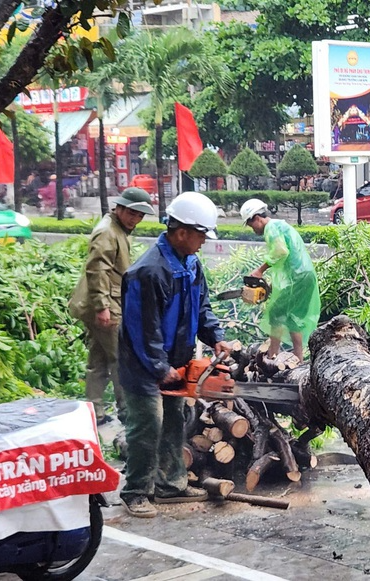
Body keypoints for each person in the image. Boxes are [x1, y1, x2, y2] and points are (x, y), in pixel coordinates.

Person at [118, 191, 232, 518]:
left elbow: (202, 308)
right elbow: (142, 328)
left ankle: (171, 484)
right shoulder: (148, 272)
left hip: (176, 361)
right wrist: (158, 366)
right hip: (142, 365)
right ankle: (136, 490)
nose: (203, 243)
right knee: (147, 427)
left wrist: (216, 338)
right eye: (200, 236)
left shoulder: (191, 265)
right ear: (180, 232)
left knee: (173, 422)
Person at [69, 188, 154, 425]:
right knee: (122, 358)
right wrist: (102, 307)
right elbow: (97, 270)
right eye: (131, 213)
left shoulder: (116, 229)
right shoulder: (107, 232)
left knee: (99, 360)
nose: (135, 219)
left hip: (104, 302)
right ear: (119, 208)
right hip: (104, 304)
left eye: (139, 215)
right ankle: (128, 411)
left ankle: (94, 413)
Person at [239, 199, 321, 360]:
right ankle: (298, 358)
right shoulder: (279, 225)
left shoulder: (272, 228)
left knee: (276, 313)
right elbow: (286, 260)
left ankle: (272, 356)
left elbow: (280, 251)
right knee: (292, 317)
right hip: (303, 276)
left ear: (257, 218)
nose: (252, 229)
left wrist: (259, 271)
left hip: (297, 277)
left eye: (251, 224)